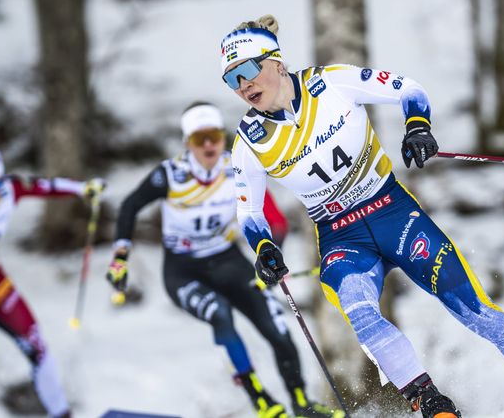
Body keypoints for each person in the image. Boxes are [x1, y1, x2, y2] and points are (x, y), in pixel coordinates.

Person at [220, 15, 504, 418]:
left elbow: (409, 89)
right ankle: (433, 406)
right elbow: (249, 210)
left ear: (274, 60)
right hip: (340, 237)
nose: (243, 85)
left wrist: (417, 125)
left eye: (248, 70)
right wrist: (263, 247)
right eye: (232, 79)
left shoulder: (330, 82)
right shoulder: (248, 143)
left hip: (393, 213)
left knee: (478, 313)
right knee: (362, 316)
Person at [105, 102, 342, 418]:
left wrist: (270, 254)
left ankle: (302, 404)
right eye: (199, 138)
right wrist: (121, 256)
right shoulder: (170, 175)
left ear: (221, 137)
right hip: (183, 271)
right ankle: (260, 400)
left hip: (228, 261)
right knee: (220, 313)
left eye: (214, 137)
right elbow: (130, 206)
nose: (208, 146)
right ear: (188, 141)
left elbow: (275, 219)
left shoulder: (238, 167)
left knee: (276, 327)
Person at [0, 148, 104, 418]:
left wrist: (83, 189)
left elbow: (46, 186)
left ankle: (61, 412)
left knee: (34, 340)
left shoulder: (10, 189)